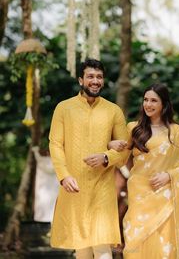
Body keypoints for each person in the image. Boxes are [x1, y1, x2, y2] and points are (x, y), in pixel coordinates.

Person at [49, 58, 129, 259]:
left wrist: (106, 157)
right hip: (74, 187)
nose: (95, 81)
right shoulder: (63, 108)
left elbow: (124, 148)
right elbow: (56, 145)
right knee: (82, 248)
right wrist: (64, 176)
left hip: (102, 188)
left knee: (102, 247)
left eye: (99, 77)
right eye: (90, 76)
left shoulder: (113, 111)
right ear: (80, 80)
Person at [108, 83, 179, 258]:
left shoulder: (175, 131)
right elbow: (120, 158)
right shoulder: (134, 128)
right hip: (139, 195)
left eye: (153, 101)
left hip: (164, 196)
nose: (148, 104)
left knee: (165, 243)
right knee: (135, 239)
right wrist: (108, 149)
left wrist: (170, 175)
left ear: (163, 104)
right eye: (145, 100)